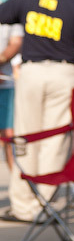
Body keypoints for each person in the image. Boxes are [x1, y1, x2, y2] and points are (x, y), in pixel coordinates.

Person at [0, 0, 74, 222]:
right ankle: (43, 204)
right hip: (63, 74)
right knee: (54, 140)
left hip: (31, 72)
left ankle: (22, 206)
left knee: (25, 136)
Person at [0, 20, 23, 172]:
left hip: (7, 86)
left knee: (9, 135)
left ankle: (17, 180)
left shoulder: (11, 20)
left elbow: (15, 45)